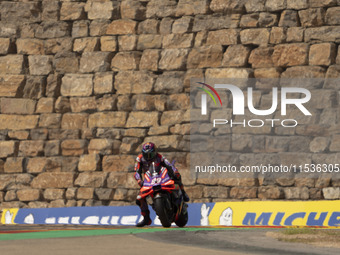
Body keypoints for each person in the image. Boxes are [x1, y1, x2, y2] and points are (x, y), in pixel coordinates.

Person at [134, 142, 190, 227]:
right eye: (146, 154)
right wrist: (139, 181)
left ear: (155, 152)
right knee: (139, 198)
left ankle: (183, 192)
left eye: (151, 154)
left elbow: (168, 165)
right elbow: (137, 172)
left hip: (161, 176)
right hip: (149, 180)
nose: (149, 157)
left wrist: (173, 174)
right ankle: (146, 219)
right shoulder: (139, 159)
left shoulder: (160, 157)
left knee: (177, 174)